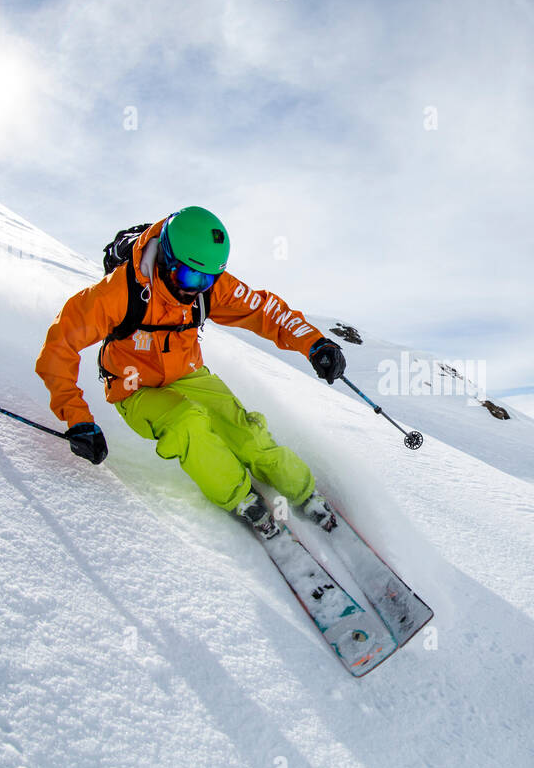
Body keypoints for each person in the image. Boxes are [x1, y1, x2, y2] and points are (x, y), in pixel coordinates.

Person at [35, 206, 346, 540]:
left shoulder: (207, 285)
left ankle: (303, 492)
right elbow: (58, 348)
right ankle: (240, 499)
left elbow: (264, 310)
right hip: (134, 388)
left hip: (188, 374)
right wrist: (77, 418)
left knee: (245, 433)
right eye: (189, 278)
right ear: (166, 259)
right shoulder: (117, 294)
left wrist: (315, 343)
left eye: (208, 279)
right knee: (188, 424)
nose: (196, 288)